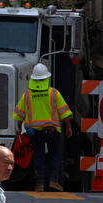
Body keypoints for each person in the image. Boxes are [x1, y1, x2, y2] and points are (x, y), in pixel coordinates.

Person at [13, 63, 74, 192]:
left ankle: (39, 183)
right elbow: (65, 113)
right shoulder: (53, 93)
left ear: (33, 79)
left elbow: (19, 115)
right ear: (46, 78)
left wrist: (18, 129)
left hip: (33, 131)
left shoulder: (27, 95)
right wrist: (68, 128)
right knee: (55, 154)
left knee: (38, 155)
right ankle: (53, 181)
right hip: (52, 130)